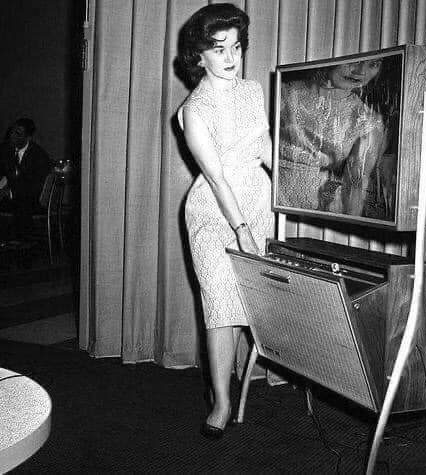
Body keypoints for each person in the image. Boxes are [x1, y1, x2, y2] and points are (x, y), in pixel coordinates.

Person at [176, 4, 273, 439]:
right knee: (219, 305)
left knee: (241, 302)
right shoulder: (192, 110)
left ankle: (233, 383)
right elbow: (215, 178)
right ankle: (221, 401)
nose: (231, 57)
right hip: (214, 214)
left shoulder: (253, 90)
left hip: (257, 202)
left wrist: (294, 186)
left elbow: (265, 146)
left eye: (236, 46)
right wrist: (241, 229)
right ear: (198, 55)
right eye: (219, 49)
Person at [277, 58, 393, 217]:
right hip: (264, 199)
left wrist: (348, 226)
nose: (361, 72)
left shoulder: (367, 121)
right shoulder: (284, 92)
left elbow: (356, 185)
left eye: (373, 64)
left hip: (315, 214)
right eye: (356, 61)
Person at [0, 118, 52, 240]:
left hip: (32, 201)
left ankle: (22, 243)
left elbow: (35, 188)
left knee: (22, 204)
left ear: (28, 138)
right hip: (11, 198)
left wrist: (9, 192)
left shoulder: (39, 156)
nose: (12, 136)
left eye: (18, 133)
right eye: (12, 131)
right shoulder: (5, 150)